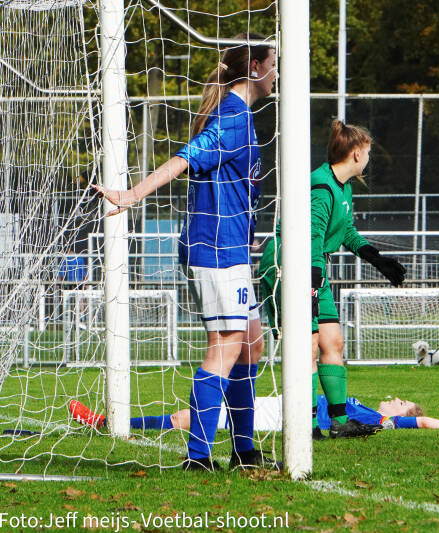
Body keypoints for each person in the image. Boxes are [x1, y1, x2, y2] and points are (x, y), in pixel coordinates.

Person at [93, 34, 277, 471]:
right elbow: (183, 158)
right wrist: (132, 194)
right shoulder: (231, 117)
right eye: (274, 63)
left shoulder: (242, 117)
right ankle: (198, 457)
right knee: (226, 346)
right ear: (254, 68)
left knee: (252, 343)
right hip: (215, 251)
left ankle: (244, 449)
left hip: (230, 247)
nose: (277, 72)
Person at [258, 120, 406, 440]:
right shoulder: (321, 187)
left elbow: (346, 232)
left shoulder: (343, 187)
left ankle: (339, 422)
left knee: (332, 343)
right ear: (355, 154)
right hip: (290, 266)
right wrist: (309, 287)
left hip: (312, 269)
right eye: (367, 152)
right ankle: (307, 424)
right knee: (307, 345)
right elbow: (308, 239)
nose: (369, 158)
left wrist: (376, 259)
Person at [69, 397, 439, 432]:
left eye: (401, 401)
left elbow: (427, 422)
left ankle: (107, 424)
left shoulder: (379, 421)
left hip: (276, 418)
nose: (393, 400)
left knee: (190, 417)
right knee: (192, 413)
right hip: (281, 403)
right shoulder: (362, 408)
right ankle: (111, 423)